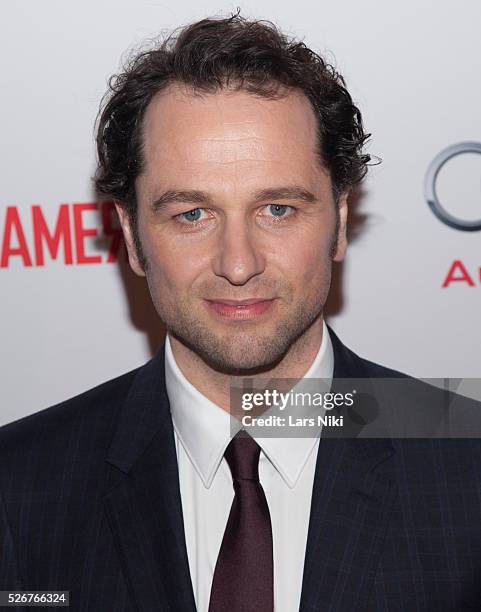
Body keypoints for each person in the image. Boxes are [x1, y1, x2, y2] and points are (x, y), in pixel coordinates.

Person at [1, 13, 481, 612]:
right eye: (191, 215)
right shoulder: (18, 486)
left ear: (338, 219)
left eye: (277, 209)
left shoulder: (468, 463)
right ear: (130, 234)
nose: (237, 263)